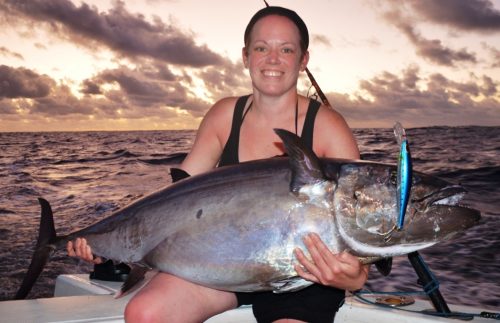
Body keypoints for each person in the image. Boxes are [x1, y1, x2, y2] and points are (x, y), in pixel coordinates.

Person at [67, 6, 369, 323]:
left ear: (303, 59)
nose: (273, 59)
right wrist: (107, 240)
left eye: (286, 49)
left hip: (303, 276)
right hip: (223, 265)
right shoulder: (224, 116)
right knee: (144, 313)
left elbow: (360, 224)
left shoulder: (328, 125)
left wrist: (352, 277)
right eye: (261, 48)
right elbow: (175, 199)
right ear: (245, 56)